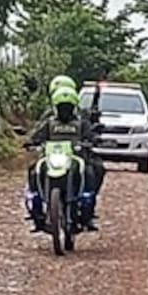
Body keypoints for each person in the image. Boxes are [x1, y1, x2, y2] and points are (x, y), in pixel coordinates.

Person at [24, 84, 105, 231]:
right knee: (33, 170)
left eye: (68, 107)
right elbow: (36, 136)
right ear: (56, 107)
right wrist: (30, 142)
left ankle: (88, 210)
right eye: (62, 107)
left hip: (76, 159)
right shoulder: (49, 123)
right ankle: (36, 210)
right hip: (53, 159)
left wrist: (93, 140)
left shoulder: (81, 123)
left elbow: (91, 136)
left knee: (94, 170)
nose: (65, 111)